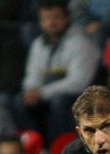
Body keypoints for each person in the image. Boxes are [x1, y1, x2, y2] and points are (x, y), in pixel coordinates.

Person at [14, 0, 101, 143]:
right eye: (46, 18)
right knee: (20, 101)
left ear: (67, 18)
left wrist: (42, 93)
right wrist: (31, 91)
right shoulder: (38, 44)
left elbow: (79, 82)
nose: (51, 22)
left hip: (80, 96)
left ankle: (60, 147)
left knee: (59, 101)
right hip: (46, 94)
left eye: (56, 17)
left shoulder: (80, 42)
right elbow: (32, 75)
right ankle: (32, 147)